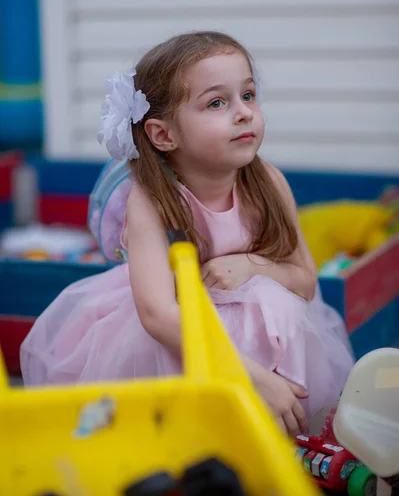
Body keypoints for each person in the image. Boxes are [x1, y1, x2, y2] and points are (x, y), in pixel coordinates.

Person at [21, 31, 354, 436]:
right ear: (164, 135)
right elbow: (159, 315)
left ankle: (273, 433)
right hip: (178, 338)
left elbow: (304, 279)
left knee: (273, 298)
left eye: (248, 95)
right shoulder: (153, 202)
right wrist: (247, 374)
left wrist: (253, 266)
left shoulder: (268, 181)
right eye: (217, 102)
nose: (244, 112)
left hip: (262, 331)